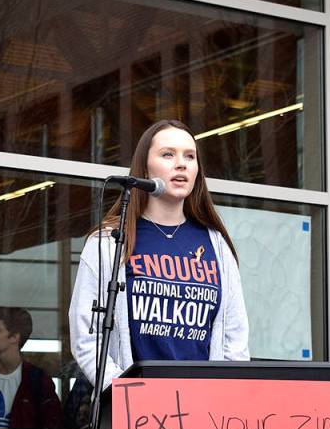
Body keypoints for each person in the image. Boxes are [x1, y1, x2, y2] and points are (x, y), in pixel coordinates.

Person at [69, 118, 249, 389]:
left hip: (204, 410)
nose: (181, 164)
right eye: (168, 154)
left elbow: (234, 343)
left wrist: (222, 398)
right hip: (136, 412)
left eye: (190, 156)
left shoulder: (217, 246)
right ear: (144, 167)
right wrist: (127, 393)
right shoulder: (108, 243)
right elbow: (87, 337)